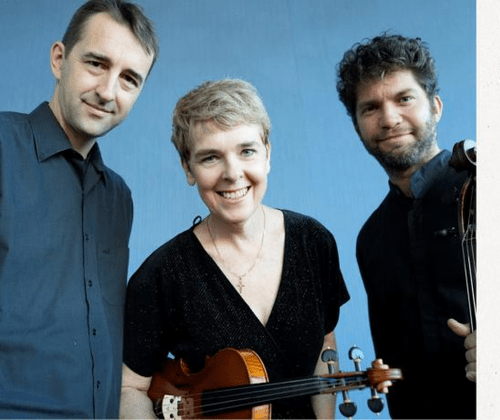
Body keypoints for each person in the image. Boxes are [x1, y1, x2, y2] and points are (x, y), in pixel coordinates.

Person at [120, 79, 350, 419]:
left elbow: (324, 348)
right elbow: (130, 388)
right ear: (187, 168)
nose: (232, 173)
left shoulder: (313, 242)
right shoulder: (161, 275)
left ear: (267, 153)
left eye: (247, 151)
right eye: (210, 157)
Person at [0, 1, 158, 418]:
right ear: (59, 59)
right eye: (96, 64)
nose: (108, 91)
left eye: (129, 79)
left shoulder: (118, 197)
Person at [336, 34, 476, 419]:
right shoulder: (371, 239)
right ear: (358, 127)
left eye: (404, 99)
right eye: (370, 108)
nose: (389, 119)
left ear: (436, 106)